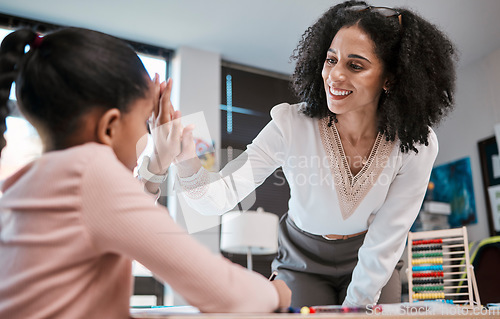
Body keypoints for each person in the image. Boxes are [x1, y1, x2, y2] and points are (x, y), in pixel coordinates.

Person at [165, 0, 457, 308]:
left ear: (390, 79)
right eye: (331, 60)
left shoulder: (417, 144)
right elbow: (216, 200)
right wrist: (185, 160)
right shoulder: (290, 125)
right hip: (301, 258)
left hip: (370, 256)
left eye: (355, 65)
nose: (335, 76)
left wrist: (356, 307)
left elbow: (388, 237)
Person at [0, 27, 291, 319]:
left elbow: (118, 211)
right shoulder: (92, 176)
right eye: (143, 124)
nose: (146, 136)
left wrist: (159, 161)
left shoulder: (30, 182)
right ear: (109, 127)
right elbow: (224, 292)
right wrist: (277, 292)